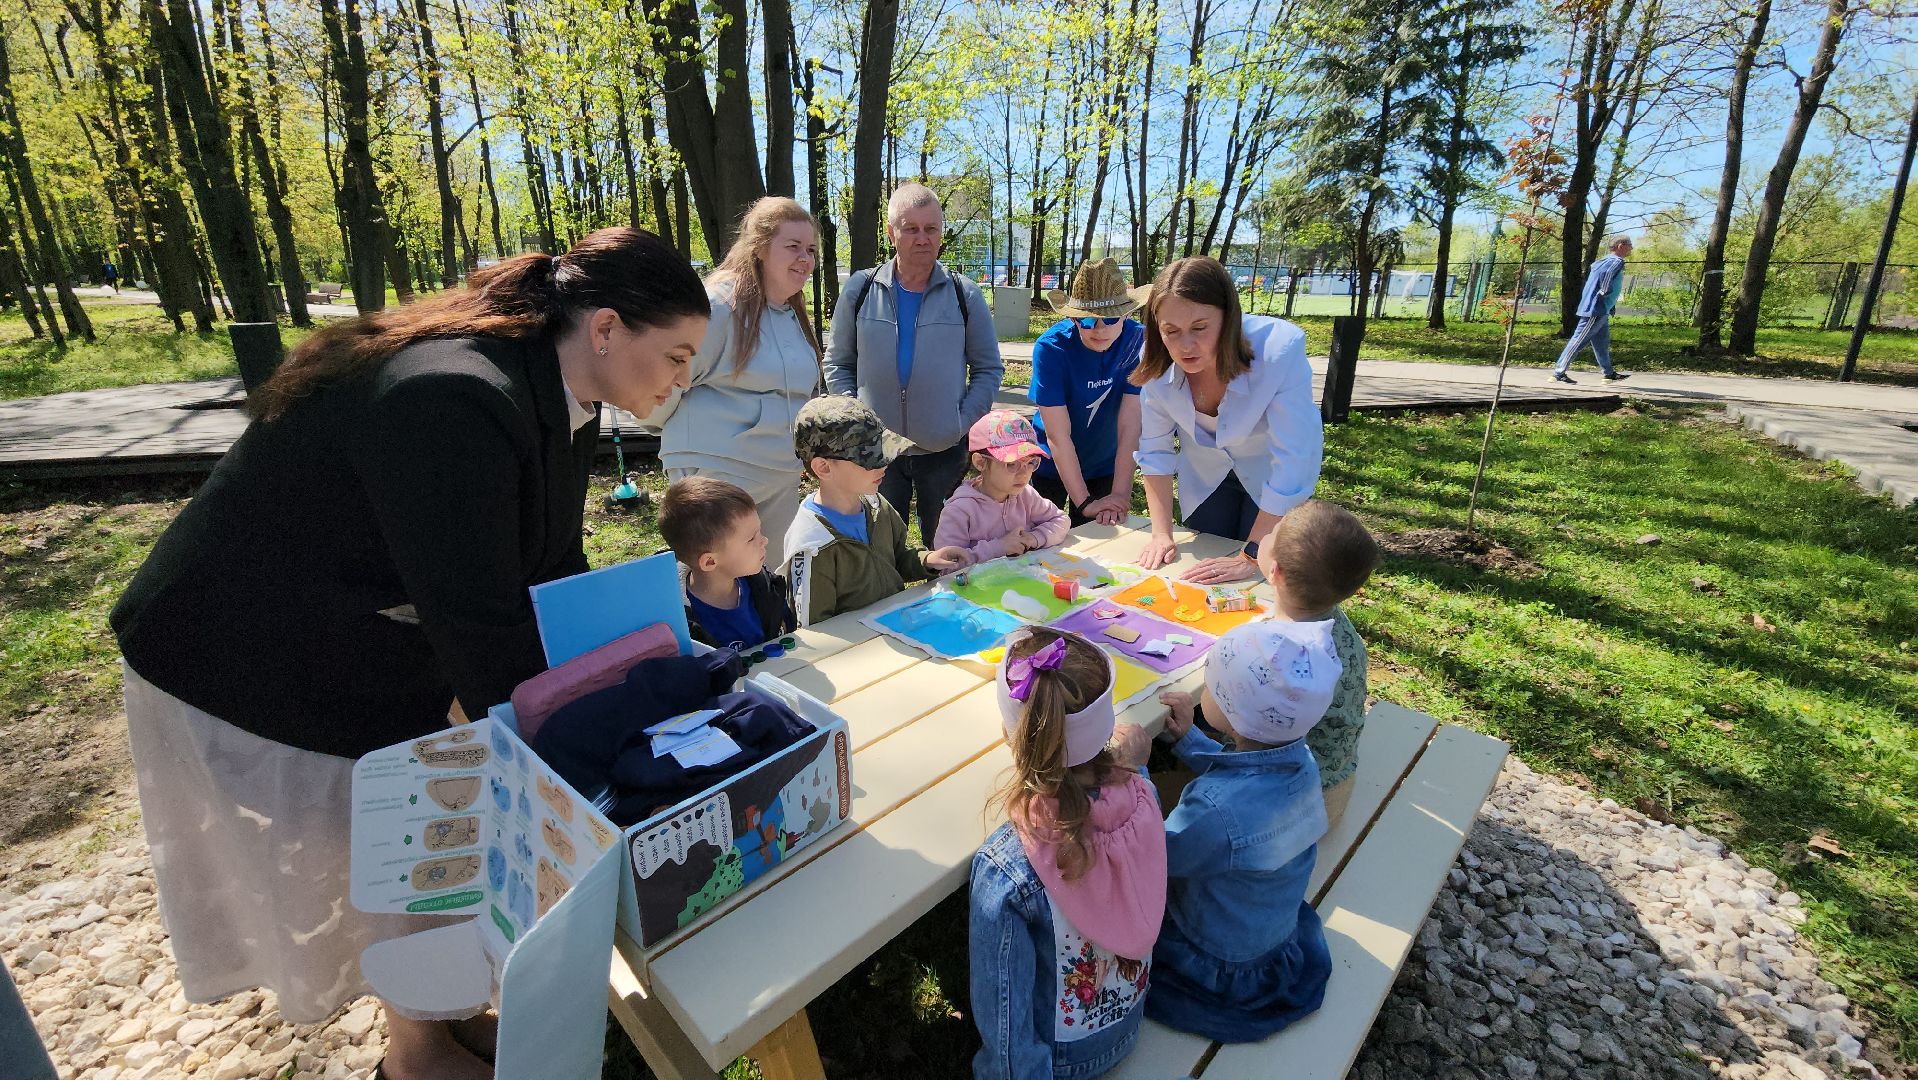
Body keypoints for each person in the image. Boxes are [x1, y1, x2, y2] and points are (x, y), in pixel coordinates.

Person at [108, 228, 710, 1080]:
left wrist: (626, 659)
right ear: (606, 328)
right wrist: (592, 738)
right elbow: (484, 635)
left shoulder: (555, 384)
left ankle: (438, 1019)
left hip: (355, 618)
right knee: (389, 823)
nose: (683, 381)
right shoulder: (453, 398)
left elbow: (546, 565)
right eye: (677, 356)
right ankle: (418, 1051)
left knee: (433, 801)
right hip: (241, 640)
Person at [969, 628, 1165, 1078]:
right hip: (1128, 1024)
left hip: (1062, 1061)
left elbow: (1005, 1021)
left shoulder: (1006, 867)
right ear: (1105, 727)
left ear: (1010, 733)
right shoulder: (1143, 798)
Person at [1148, 619, 1339, 1043]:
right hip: (1269, 935)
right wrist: (1189, 741)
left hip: (1216, 963)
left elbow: (1153, 859)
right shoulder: (1301, 761)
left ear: (1234, 712)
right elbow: (1246, 777)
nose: (1206, 693)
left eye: (1212, 687)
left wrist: (1132, 772)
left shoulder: (1213, 813)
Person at [824, 183, 1004, 541]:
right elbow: (838, 362)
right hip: (876, 451)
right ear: (892, 234)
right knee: (878, 549)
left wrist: (960, 422)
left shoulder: (964, 294)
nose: (922, 238)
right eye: (911, 229)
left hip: (944, 451)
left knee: (948, 547)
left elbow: (988, 368)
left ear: (941, 232)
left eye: (931, 228)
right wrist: (858, 417)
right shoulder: (861, 289)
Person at [652, 197, 823, 566]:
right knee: (715, 580)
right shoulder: (717, 305)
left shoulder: (792, 315)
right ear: (759, 248)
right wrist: (665, 430)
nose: (805, 258)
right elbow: (667, 381)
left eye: (810, 249)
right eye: (792, 247)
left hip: (779, 471)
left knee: (773, 578)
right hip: (717, 467)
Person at [1130, 257, 1323, 584]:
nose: (1185, 345)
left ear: (1228, 317)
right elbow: (1154, 450)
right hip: (1205, 477)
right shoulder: (1154, 360)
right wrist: (1161, 534)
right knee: (1205, 570)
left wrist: (1251, 555)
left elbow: (1295, 459)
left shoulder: (1278, 350)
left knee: (1265, 575)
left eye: (1200, 328)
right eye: (1171, 331)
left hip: (1271, 479)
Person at [1244, 500, 1381, 829]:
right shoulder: (1333, 623)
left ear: (1275, 572)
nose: (1267, 531)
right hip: (1335, 783)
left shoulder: (1274, 652)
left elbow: (1228, 721)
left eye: (1272, 532)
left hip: (1287, 809)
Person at [783, 395, 967, 626]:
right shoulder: (813, 545)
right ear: (823, 467)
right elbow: (815, 630)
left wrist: (927, 560)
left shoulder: (875, 505)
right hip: (859, 652)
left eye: (883, 452)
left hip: (895, 628)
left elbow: (898, 560)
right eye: (868, 459)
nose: (884, 464)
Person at [1029, 258, 1145, 527]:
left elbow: (1130, 427)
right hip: (1051, 464)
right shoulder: (1051, 349)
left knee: (1100, 546)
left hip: (1106, 464)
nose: (1100, 329)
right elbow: (1058, 435)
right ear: (1073, 317)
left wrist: (1119, 496)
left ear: (1127, 314)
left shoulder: (1137, 341)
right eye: (1088, 322)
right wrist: (1084, 502)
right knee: (1044, 544)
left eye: (1110, 318)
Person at [659, 476, 796, 649]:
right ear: (709, 562)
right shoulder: (679, 624)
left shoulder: (766, 588)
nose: (764, 541)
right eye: (751, 538)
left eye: (759, 532)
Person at [933, 410, 1071, 567]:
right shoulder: (960, 510)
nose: (1024, 473)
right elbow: (947, 566)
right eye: (1011, 464)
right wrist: (998, 548)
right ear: (980, 462)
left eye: (1031, 462)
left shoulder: (1026, 495)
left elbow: (1061, 520)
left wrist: (1034, 538)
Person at [1553, 235, 1633, 384]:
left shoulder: (1603, 261)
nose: (1631, 248)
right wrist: (1604, 291)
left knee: (1602, 343)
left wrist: (1611, 303)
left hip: (1602, 309)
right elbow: (1607, 276)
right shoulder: (1616, 261)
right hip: (1595, 309)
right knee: (1578, 340)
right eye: (1629, 245)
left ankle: (1608, 374)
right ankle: (1559, 371)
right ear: (1620, 245)